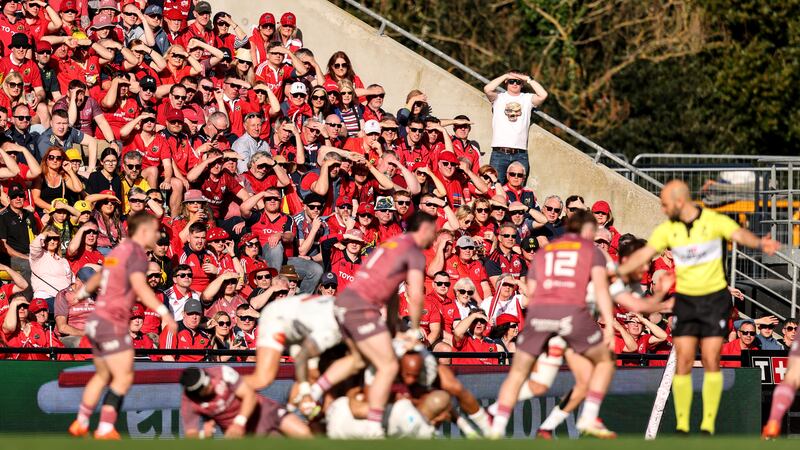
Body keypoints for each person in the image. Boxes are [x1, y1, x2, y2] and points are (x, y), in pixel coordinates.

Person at [618, 179, 780, 435]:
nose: (663, 209)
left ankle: (707, 421)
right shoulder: (668, 231)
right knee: (682, 362)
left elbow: (738, 234)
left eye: (666, 204)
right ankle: (682, 422)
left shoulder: (713, 222)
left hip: (714, 301)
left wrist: (761, 244)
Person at [490, 210, 656, 439]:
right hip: (571, 319)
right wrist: (610, 325)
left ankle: (511, 422)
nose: (598, 242)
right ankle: (588, 418)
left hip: (541, 318)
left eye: (603, 241)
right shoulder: (592, 254)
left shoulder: (545, 251)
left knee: (538, 381)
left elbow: (532, 288)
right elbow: (605, 289)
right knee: (604, 363)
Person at [319, 212, 437, 436]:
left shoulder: (390, 245)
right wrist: (413, 329)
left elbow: (391, 293)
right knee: (389, 366)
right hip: (361, 309)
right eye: (433, 230)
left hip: (345, 303)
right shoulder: (413, 252)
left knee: (357, 359)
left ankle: (312, 391)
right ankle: (374, 427)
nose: (436, 235)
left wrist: (395, 328)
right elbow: (416, 294)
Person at [68, 213, 177, 439]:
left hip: (99, 320)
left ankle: (81, 421)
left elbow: (99, 277)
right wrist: (164, 312)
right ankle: (105, 426)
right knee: (123, 376)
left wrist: (83, 293)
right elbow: (141, 286)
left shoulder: (119, 250)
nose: (157, 236)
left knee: (104, 374)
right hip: (113, 321)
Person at [246, 294, 342, 403]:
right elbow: (302, 357)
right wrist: (305, 393)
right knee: (263, 378)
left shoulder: (342, 314)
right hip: (278, 318)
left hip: (301, 321)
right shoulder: (331, 328)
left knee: (313, 375)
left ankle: (294, 409)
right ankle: (224, 381)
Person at [180, 366, 311, 438]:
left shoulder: (222, 372)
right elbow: (191, 434)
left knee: (304, 435)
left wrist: (239, 422)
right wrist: (203, 435)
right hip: (245, 433)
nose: (211, 385)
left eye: (209, 380)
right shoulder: (189, 403)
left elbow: (249, 396)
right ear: (195, 393)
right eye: (206, 387)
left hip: (264, 410)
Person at [483, 70, 548, 184]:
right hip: (499, 153)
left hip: (520, 154)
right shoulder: (499, 97)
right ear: (506, 82)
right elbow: (487, 89)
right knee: (495, 187)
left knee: (518, 191)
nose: (514, 84)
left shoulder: (527, 99)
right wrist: (505, 75)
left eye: (518, 82)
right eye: (511, 81)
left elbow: (543, 95)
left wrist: (528, 79)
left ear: (522, 84)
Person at [54, 266, 97, 348]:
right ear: (77, 281)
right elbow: (62, 328)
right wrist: (86, 334)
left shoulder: (96, 296)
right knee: (87, 344)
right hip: (71, 337)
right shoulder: (64, 295)